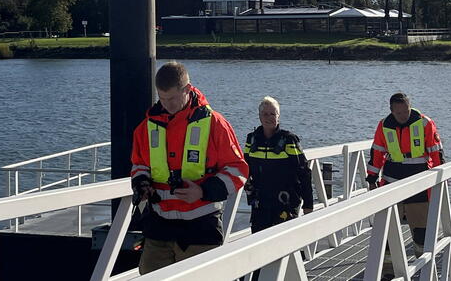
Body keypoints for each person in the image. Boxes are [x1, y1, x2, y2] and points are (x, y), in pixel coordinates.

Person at [130, 61, 248, 274]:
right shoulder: (146, 127)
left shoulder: (215, 123)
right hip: (159, 226)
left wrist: (203, 191)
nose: (168, 105)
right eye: (162, 99)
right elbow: (139, 164)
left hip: (200, 228)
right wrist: (142, 183)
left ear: (187, 89)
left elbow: (238, 170)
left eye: (173, 98)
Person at [366, 92, 445, 256]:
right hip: (391, 182)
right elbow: (377, 153)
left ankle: (423, 267)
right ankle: (388, 271)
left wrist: (441, 178)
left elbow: (436, 153)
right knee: (387, 231)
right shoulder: (384, 125)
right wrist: (372, 179)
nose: (403, 115)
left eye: (406, 111)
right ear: (391, 111)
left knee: (421, 231)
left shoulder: (425, 123)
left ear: (410, 107)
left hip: (419, 184)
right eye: (399, 112)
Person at [243, 96, 314, 233]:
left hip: (284, 203)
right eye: (265, 114)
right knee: (259, 242)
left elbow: (304, 172)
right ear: (259, 116)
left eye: (273, 114)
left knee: (284, 243)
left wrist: (308, 204)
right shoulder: (251, 139)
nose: (269, 117)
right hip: (260, 203)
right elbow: (245, 167)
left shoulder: (288, 140)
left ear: (278, 116)